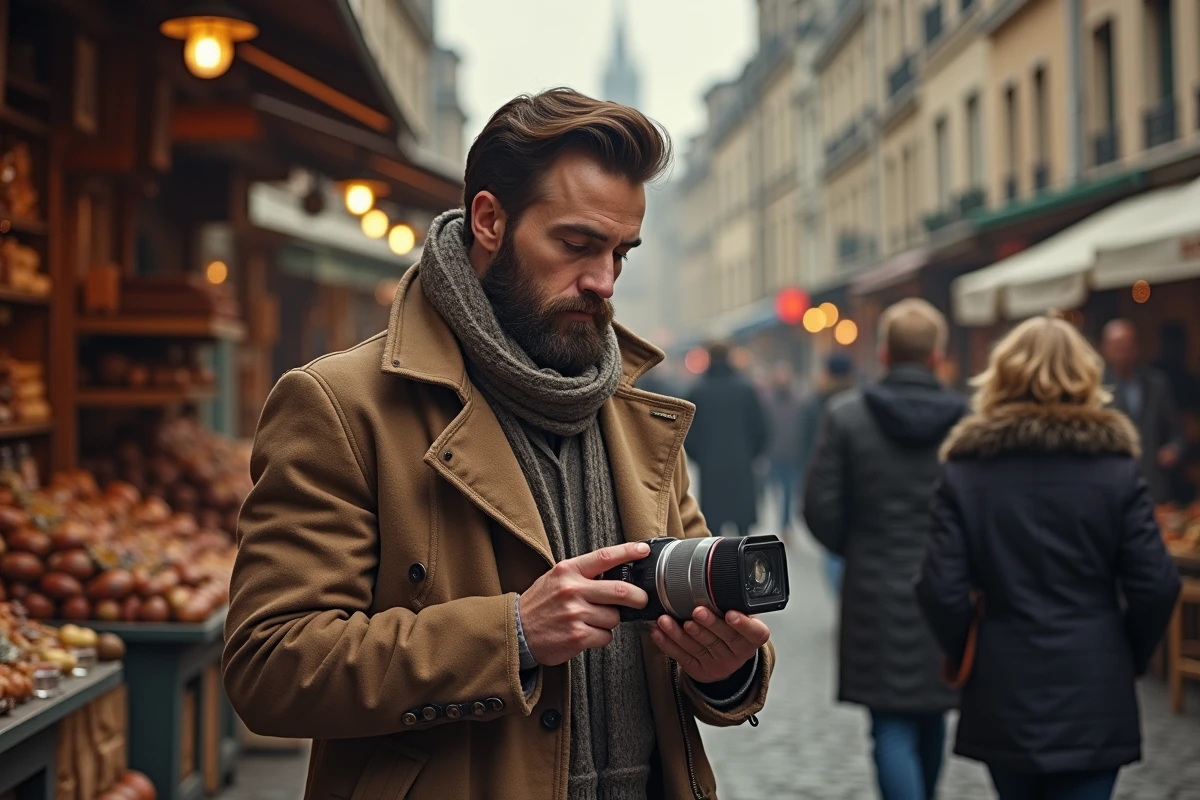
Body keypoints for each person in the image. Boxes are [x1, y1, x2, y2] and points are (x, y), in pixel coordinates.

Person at [223, 89, 774, 800]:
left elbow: (697, 656)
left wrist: (721, 667)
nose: (602, 281)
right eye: (576, 245)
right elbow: (269, 667)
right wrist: (510, 634)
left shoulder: (637, 414)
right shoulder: (340, 403)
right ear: (490, 219)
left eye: (620, 254)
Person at [917, 314, 1182, 800]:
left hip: (1003, 680)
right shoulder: (1116, 469)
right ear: (1085, 375)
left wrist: (963, 652)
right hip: (1095, 678)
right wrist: (1131, 653)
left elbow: (939, 587)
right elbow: (1158, 584)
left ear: (1002, 376)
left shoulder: (967, 471)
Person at [804, 299, 968, 800]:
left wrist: (856, 546)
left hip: (873, 586)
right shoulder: (967, 420)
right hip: (948, 588)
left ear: (883, 353)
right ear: (938, 356)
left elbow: (819, 508)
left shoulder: (847, 415)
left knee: (890, 723)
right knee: (933, 710)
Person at [685, 343, 768, 536]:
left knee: (714, 532)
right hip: (741, 465)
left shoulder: (698, 391)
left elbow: (687, 433)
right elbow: (761, 429)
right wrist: (749, 454)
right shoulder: (746, 390)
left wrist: (702, 457)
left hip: (711, 467)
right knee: (743, 531)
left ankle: (720, 566)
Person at [1101, 318, 1185, 504]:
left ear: (1137, 346)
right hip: (1115, 488)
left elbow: (1176, 431)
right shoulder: (1098, 390)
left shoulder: (1157, 383)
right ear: (1106, 349)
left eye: (1128, 345)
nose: (1124, 352)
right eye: (1118, 346)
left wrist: (1173, 448)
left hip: (1155, 484)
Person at [797, 352, 855, 594]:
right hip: (855, 486)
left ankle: (840, 595)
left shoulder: (814, 403)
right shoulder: (858, 403)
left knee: (833, 550)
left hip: (826, 483)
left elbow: (805, 443)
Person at [760, 361, 804, 538]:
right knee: (774, 490)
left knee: (788, 491)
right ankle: (781, 521)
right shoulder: (767, 401)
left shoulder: (798, 401)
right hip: (773, 453)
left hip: (792, 454)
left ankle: (785, 524)